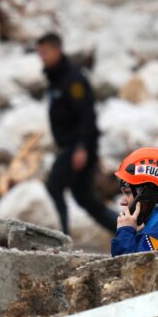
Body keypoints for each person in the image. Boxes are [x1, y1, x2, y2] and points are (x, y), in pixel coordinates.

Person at [36, 33, 117, 235]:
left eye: (45, 52)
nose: (42, 58)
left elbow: (86, 115)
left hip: (76, 148)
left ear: (58, 50)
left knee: (53, 187)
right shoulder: (56, 78)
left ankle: (60, 237)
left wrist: (81, 147)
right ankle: (131, 233)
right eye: (40, 53)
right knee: (86, 200)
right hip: (71, 147)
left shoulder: (73, 80)